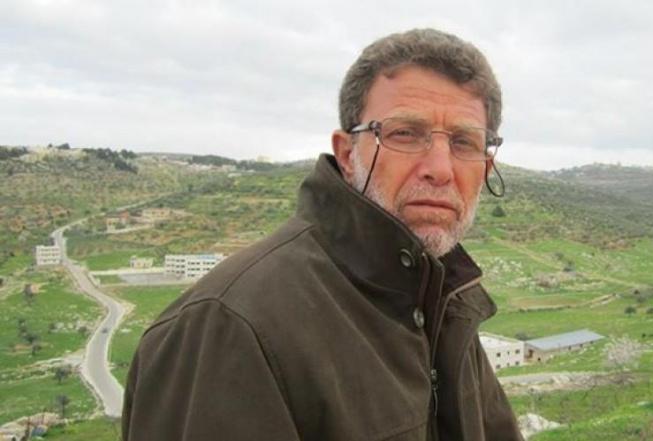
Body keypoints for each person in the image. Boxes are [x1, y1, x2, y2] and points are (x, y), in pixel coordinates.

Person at [122, 28, 523, 441]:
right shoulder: (228, 327)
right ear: (347, 154)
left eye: (464, 142)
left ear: (486, 167)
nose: (440, 169)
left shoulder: (442, 299)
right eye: (405, 133)